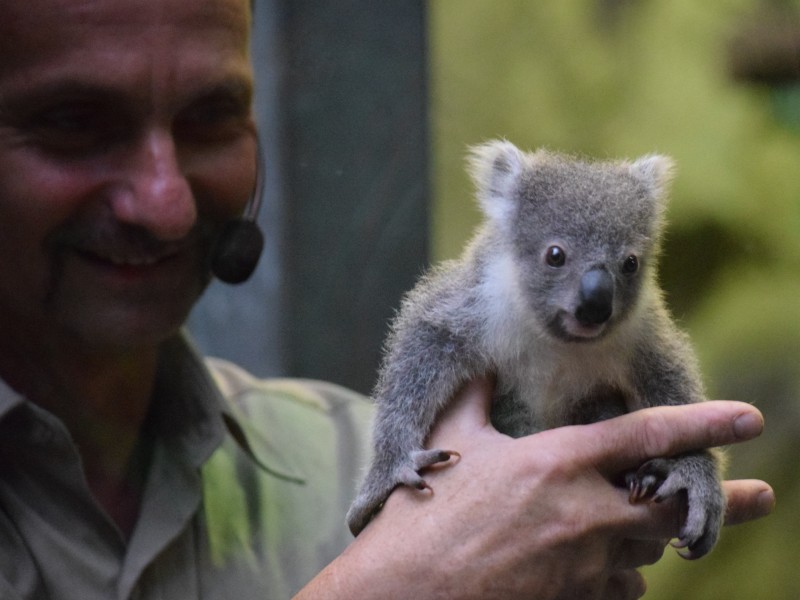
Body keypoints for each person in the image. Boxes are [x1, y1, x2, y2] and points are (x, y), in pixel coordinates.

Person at [0, 0, 774, 598]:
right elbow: (431, 339)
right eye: (73, 124)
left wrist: (685, 468)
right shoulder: (398, 463)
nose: (165, 204)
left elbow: (661, 379)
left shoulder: (341, 452)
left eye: (211, 118)